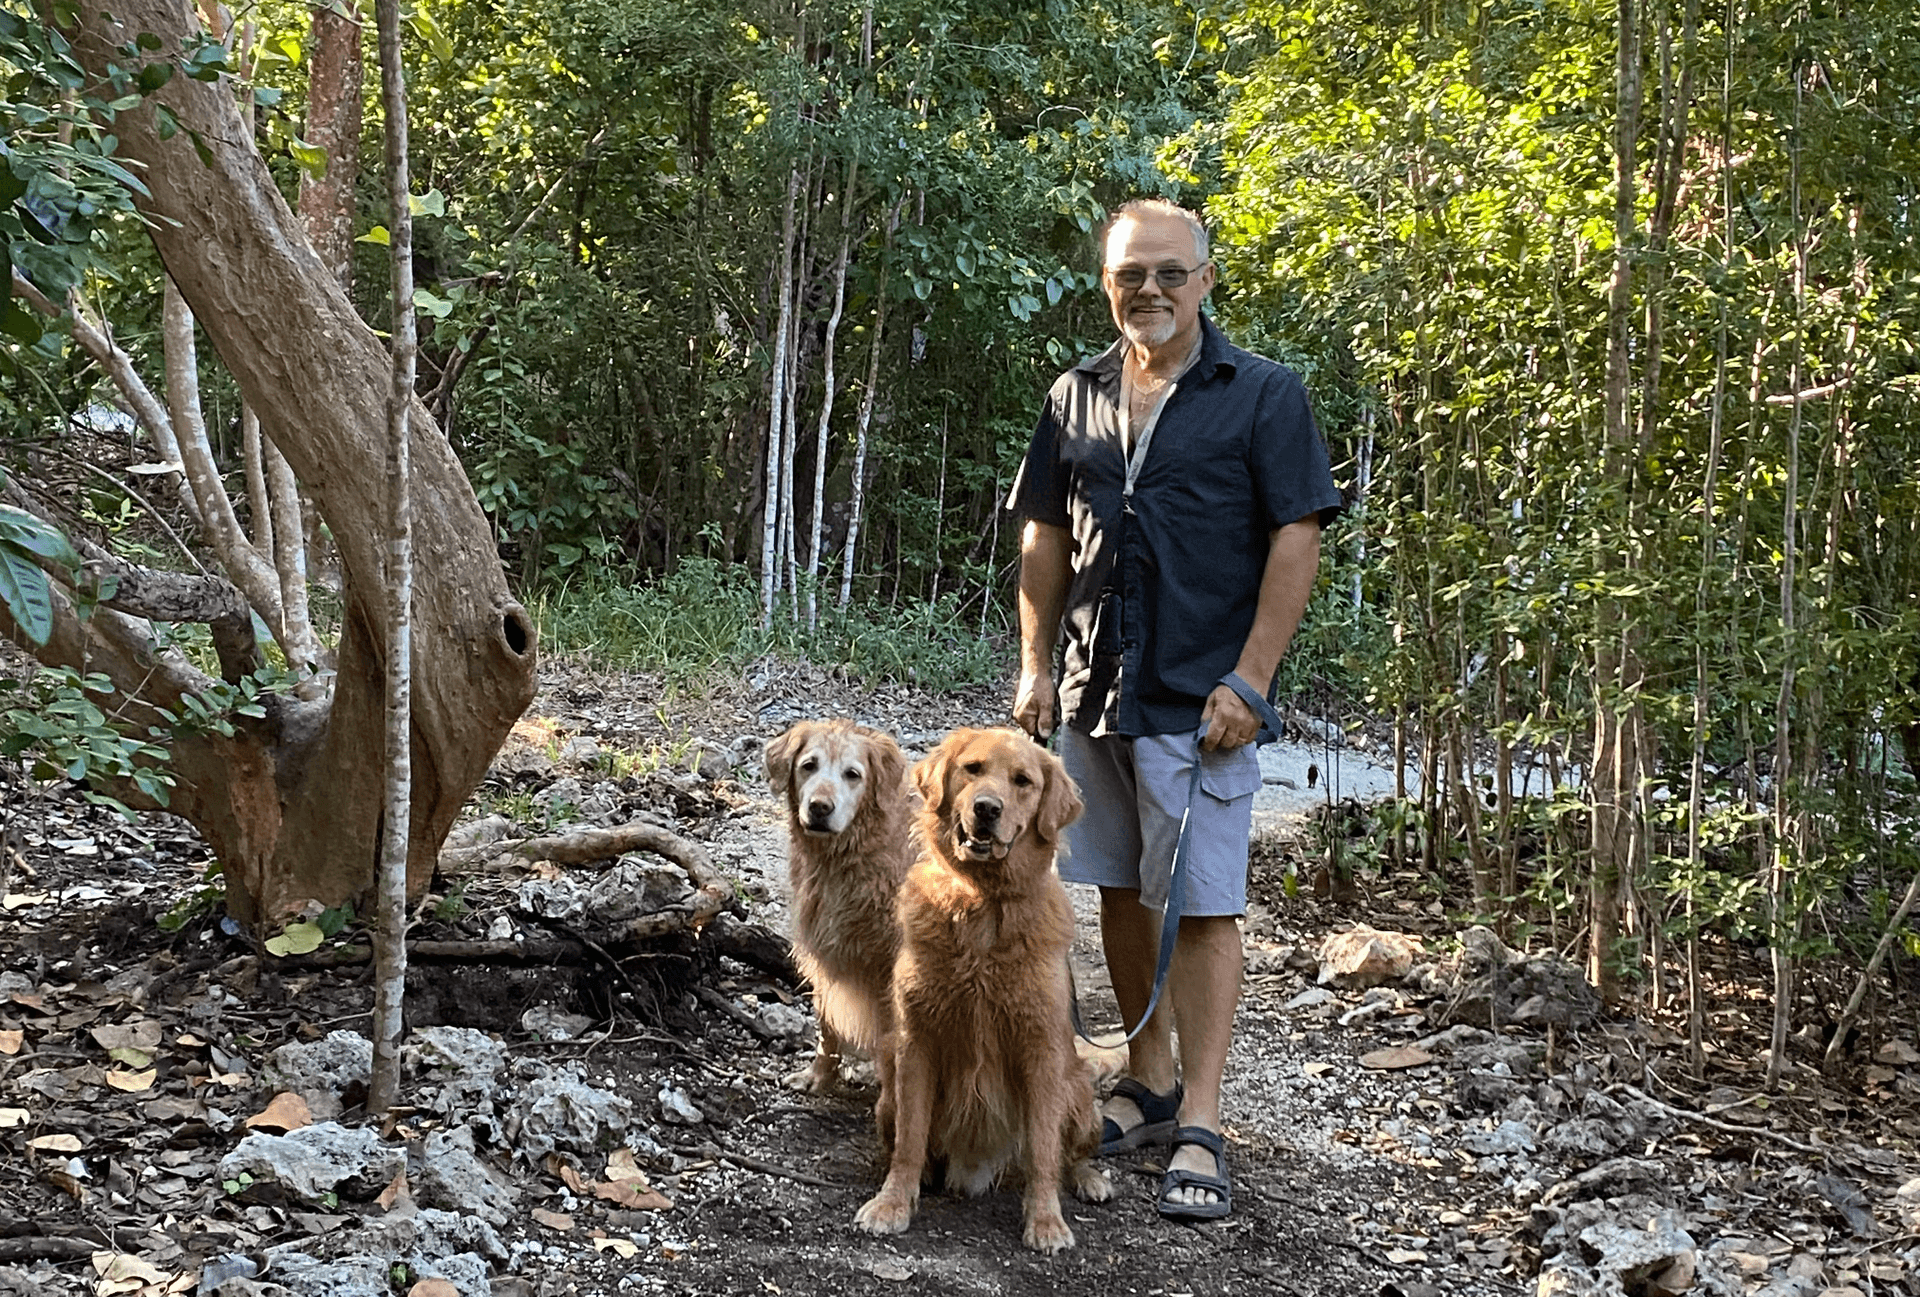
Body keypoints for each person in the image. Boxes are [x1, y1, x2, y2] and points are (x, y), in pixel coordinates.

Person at [1008, 198, 1341, 1221]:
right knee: (1115, 883)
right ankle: (1145, 1077)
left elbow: (1297, 538)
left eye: (1167, 272)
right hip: (1093, 686)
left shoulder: (1264, 396)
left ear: (1205, 279)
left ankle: (1201, 1116)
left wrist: (1252, 678)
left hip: (1202, 699)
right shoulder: (1077, 393)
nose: (1147, 290)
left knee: (1201, 903)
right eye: (1128, 274)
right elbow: (1043, 538)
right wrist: (1033, 665)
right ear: (1106, 283)